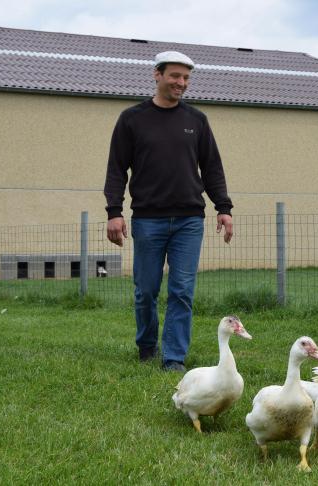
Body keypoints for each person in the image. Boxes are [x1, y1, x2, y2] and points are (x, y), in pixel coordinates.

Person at [104, 51, 234, 372]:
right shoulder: (132, 119)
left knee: (182, 291)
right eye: (175, 76)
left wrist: (223, 207)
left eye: (186, 78)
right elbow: (117, 169)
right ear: (157, 75)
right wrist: (114, 211)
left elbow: (212, 168)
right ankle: (147, 345)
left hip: (190, 220)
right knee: (146, 290)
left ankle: (173, 357)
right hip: (148, 220)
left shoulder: (196, 121)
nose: (181, 83)